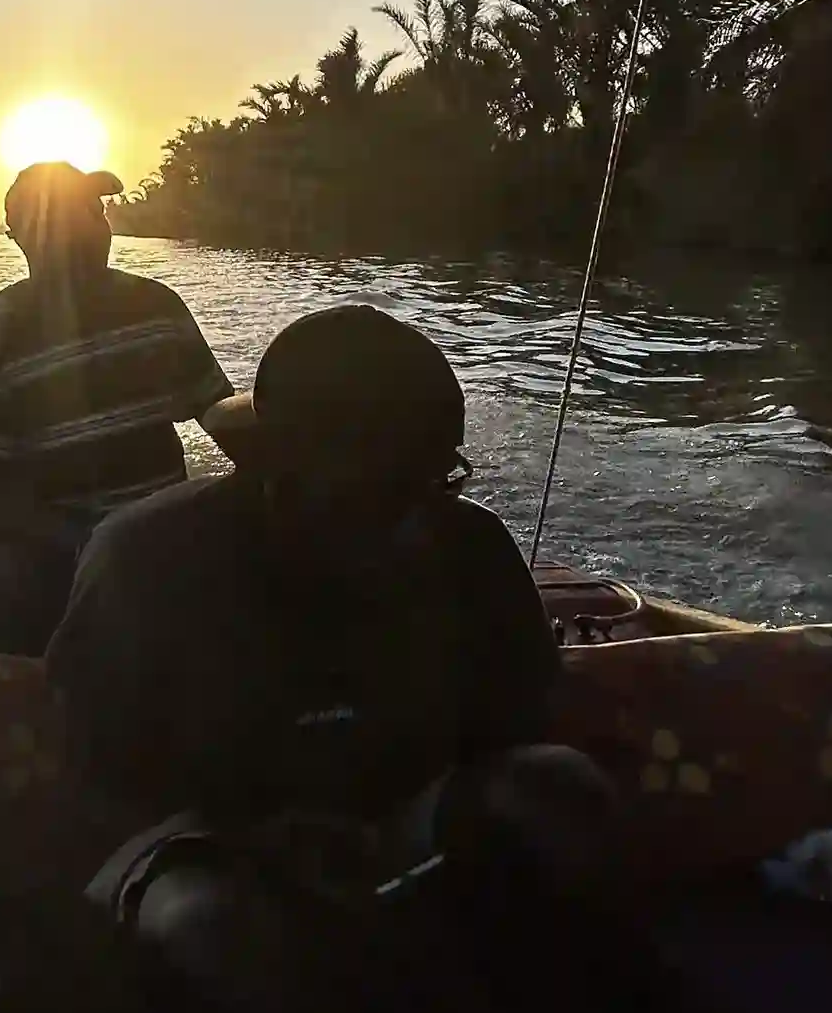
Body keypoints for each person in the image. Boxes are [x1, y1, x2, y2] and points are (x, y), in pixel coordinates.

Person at [46, 301, 562, 855]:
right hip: (202, 841)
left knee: (555, 790)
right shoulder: (141, 558)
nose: (414, 512)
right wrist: (249, 840)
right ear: (276, 464)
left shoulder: (473, 543)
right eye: (386, 485)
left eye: (432, 476)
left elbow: (525, 725)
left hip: (412, 820)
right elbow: (93, 777)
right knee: (206, 917)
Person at [0, 161, 239, 652]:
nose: (92, 227)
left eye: (95, 212)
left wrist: (272, 473)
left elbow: (217, 410)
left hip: (157, 527)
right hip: (43, 546)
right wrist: (91, 541)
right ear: (21, 236)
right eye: (69, 216)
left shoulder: (156, 306)